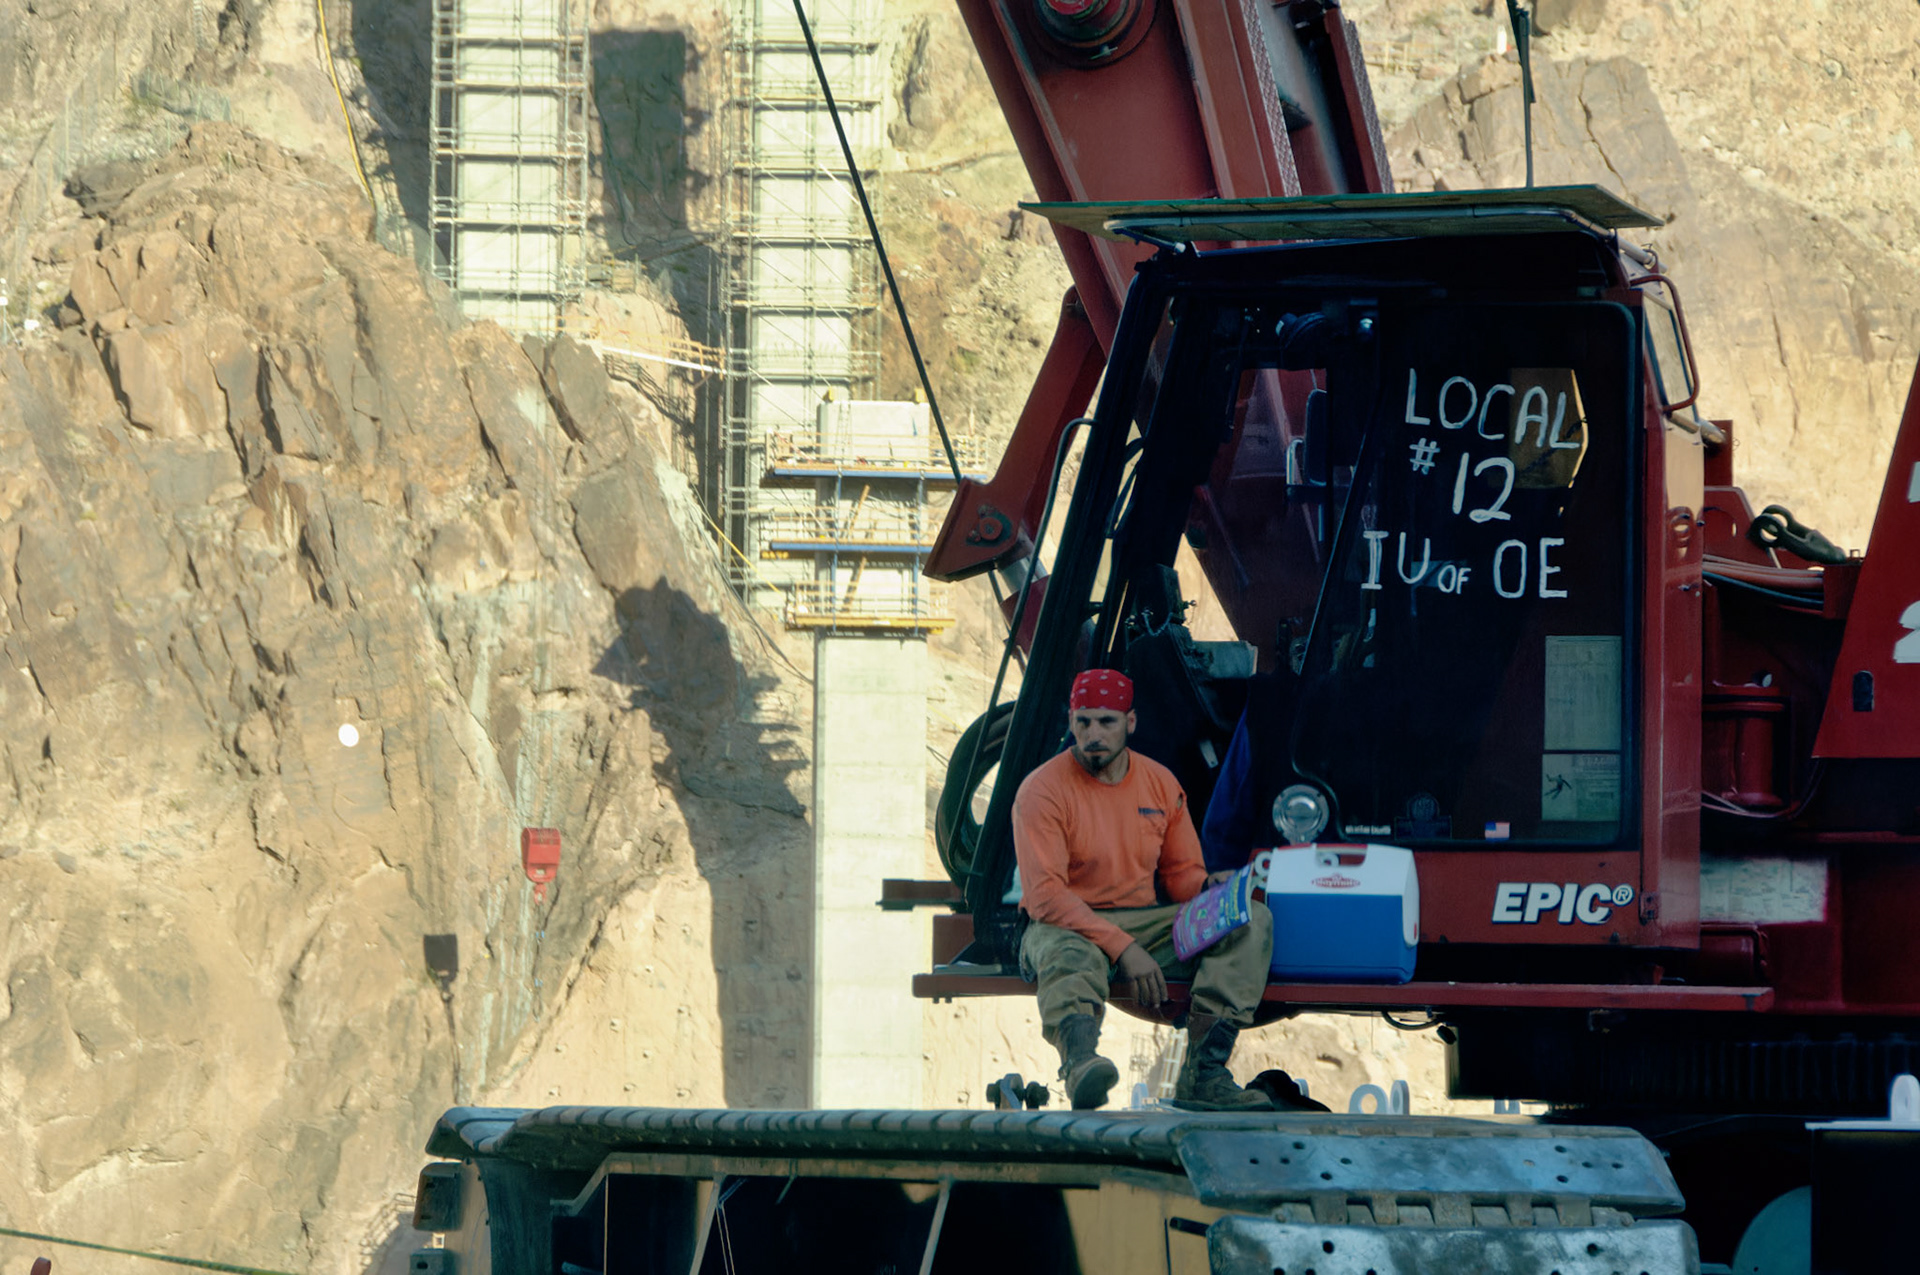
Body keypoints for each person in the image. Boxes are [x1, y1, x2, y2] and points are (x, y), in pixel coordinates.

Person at [1013, 668, 1275, 1111]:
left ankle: (1204, 1075)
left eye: (1107, 721)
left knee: (1250, 920)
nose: (1094, 734)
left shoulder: (1160, 782)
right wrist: (1124, 949)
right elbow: (1045, 897)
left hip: (1144, 924)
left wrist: (1207, 886)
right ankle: (1079, 1064)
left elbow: (1180, 877)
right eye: (1083, 722)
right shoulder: (1042, 790)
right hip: (1064, 922)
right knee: (1068, 953)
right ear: (1071, 721)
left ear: (1130, 722)